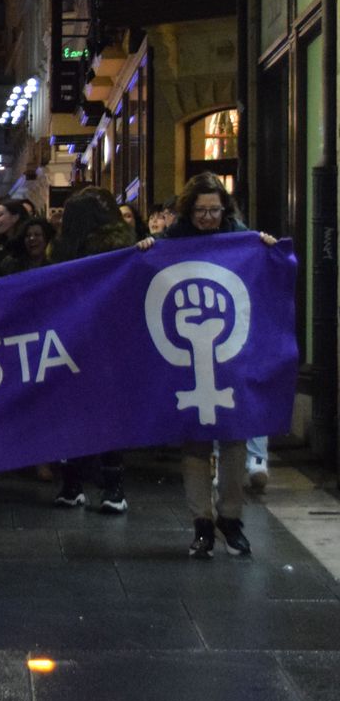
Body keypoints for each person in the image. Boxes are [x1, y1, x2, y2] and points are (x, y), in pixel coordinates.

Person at [137, 173, 278, 559]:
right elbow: (146, 268)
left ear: (225, 209)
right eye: (201, 210)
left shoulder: (241, 239)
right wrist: (149, 246)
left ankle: (230, 521)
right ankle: (202, 523)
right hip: (187, 360)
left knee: (233, 440)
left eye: (215, 210)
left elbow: (261, 273)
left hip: (230, 357)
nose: (208, 218)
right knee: (195, 441)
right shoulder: (173, 240)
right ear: (188, 209)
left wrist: (265, 248)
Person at [47, 187, 136, 514]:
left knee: (73, 416)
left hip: (72, 339)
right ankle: (112, 489)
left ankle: (73, 485)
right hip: (106, 342)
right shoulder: (120, 249)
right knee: (105, 417)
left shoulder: (63, 251)